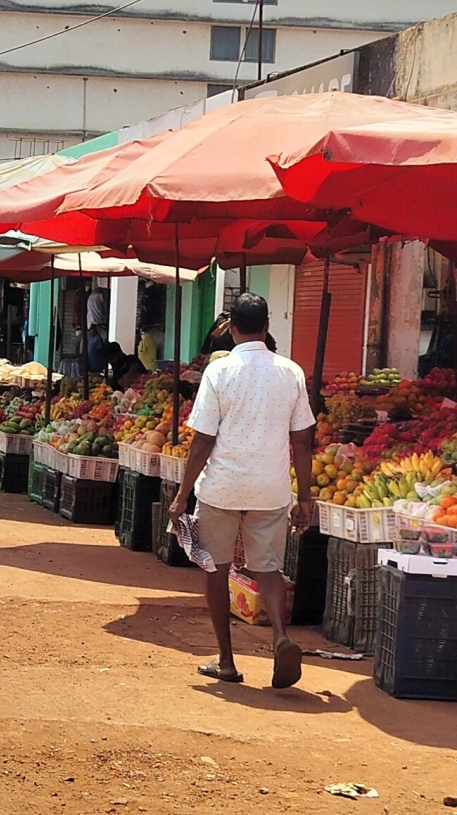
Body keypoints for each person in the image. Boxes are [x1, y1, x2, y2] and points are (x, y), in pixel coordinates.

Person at [168, 293, 313, 689]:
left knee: (216, 568)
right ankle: (281, 635)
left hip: (222, 487)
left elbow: (202, 441)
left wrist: (182, 495)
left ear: (231, 330)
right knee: (268, 567)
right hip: (272, 487)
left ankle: (227, 661)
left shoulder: (219, 372)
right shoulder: (291, 372)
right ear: (267, 327)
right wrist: (306, 497)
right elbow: (302, 440)